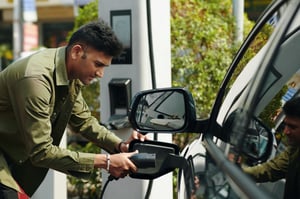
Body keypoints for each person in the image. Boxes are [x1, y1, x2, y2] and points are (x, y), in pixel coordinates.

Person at [0, 20, 147, 198]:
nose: (100, 74)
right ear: (77, 51)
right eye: (98, 64)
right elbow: (41, 151)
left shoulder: (69, 73)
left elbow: (84, 122)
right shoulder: (36, 79)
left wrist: (119, 146)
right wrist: (107, 162)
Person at [243, 96, 300, 199]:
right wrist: (237, 169)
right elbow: (269, 170)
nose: (286, 132)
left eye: (292, 127)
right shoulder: (294, 150)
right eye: (286, 125)